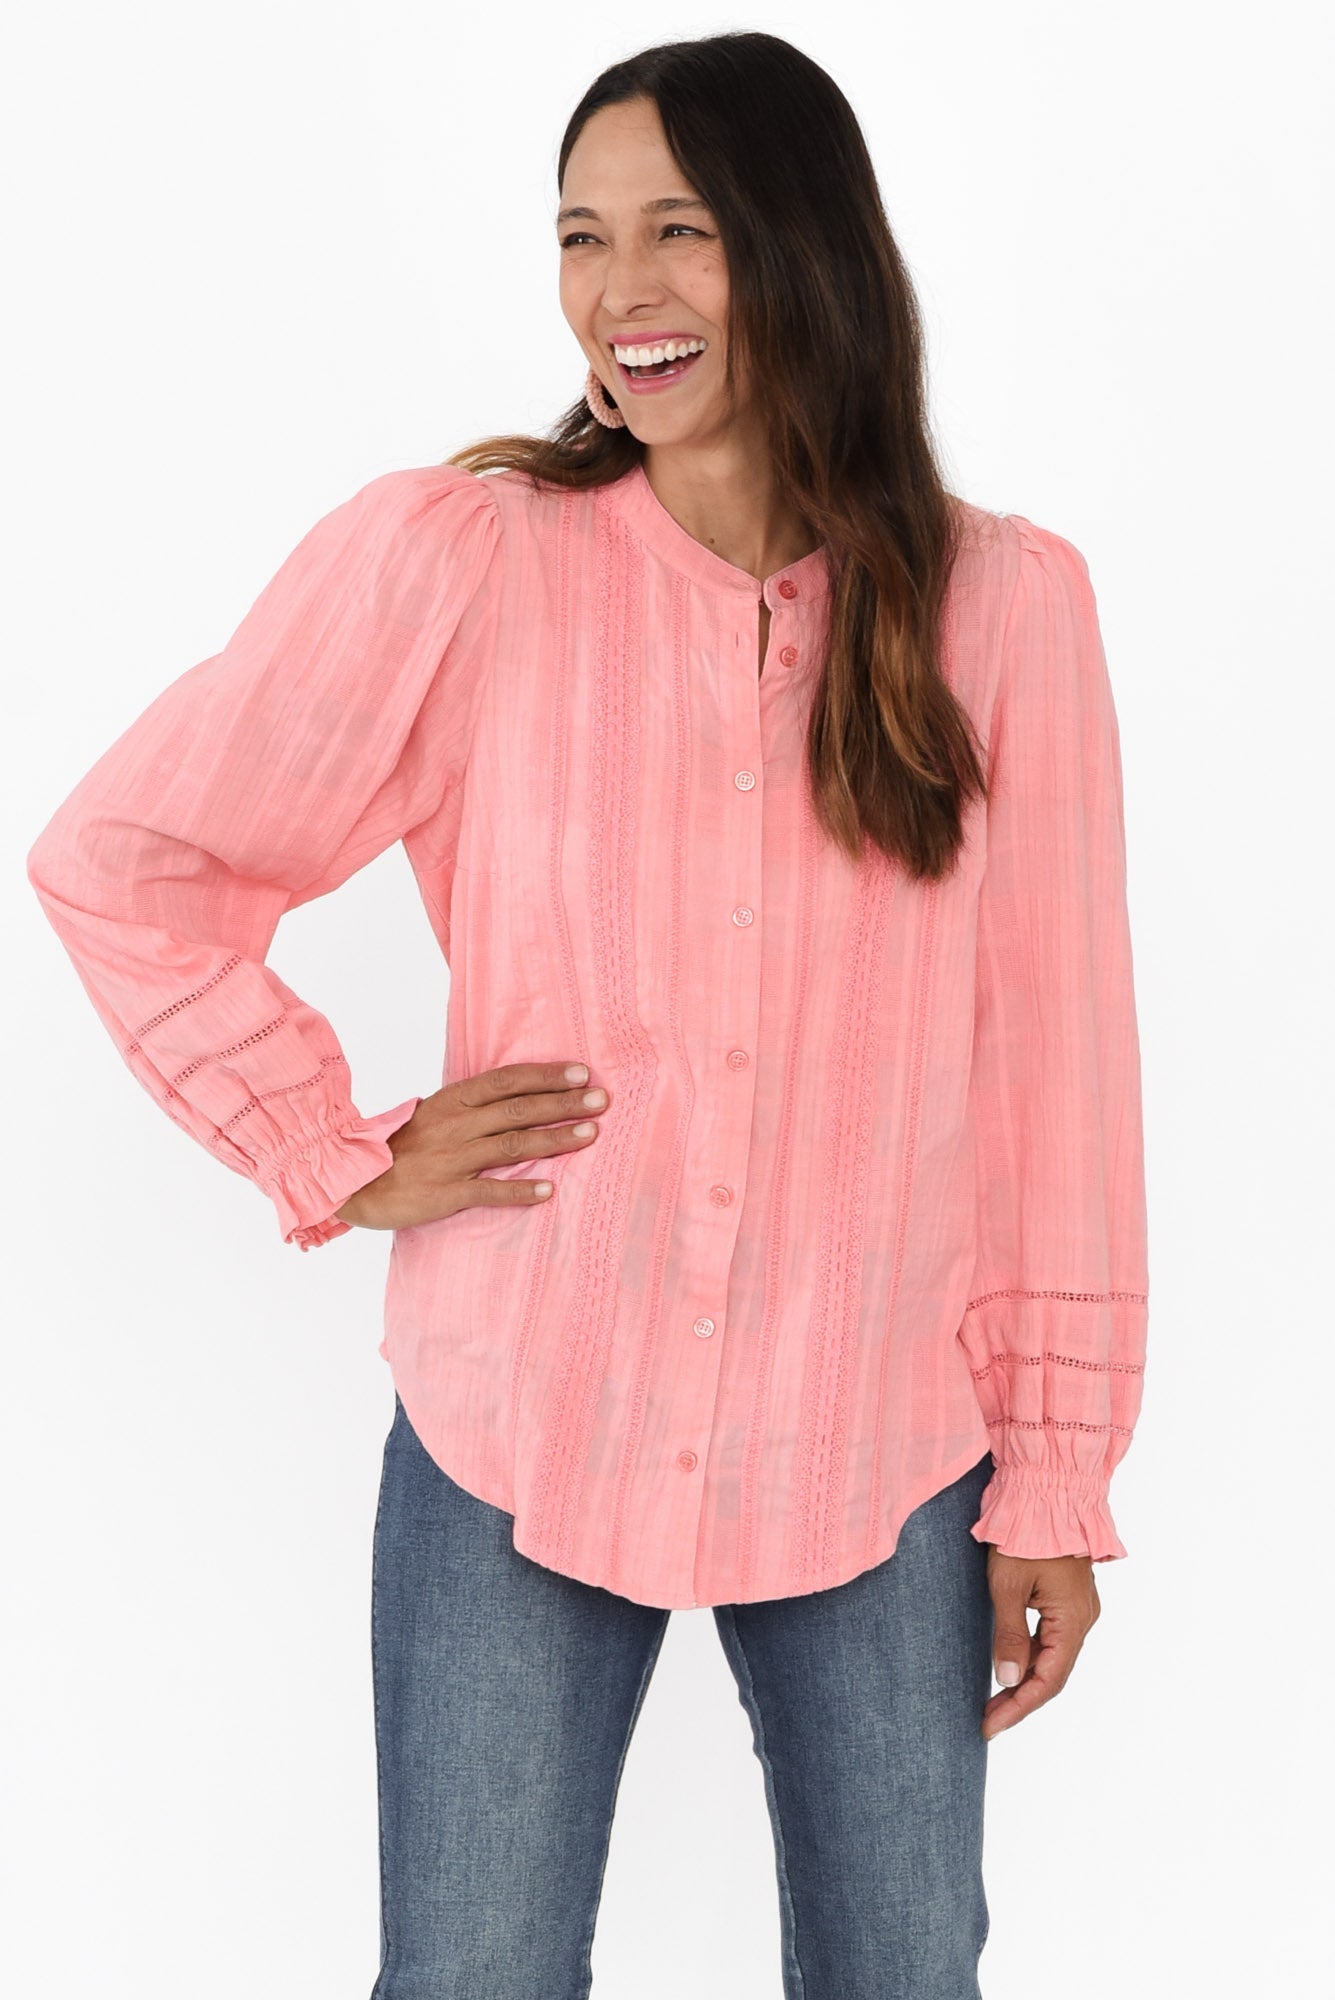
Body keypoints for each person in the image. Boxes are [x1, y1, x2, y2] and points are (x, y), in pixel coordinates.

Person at [25, 29, 1149, 2000]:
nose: (619, 288)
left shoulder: (1003, 608)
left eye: (677, 230)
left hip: (877, 1432)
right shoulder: (465, 562)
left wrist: (1053, 1472)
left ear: (803, 247)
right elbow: (127, 859)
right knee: (470, 1975)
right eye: (579, 235)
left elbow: (1055, 1080)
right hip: (521, 1407)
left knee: (904, 1973)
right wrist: (332, 1148)